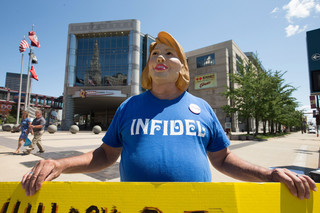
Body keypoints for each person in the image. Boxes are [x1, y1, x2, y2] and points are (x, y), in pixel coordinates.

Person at [22, 31, 317, 199]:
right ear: (149, 67)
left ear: (183, 68)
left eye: (169, 53)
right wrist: (60, 164)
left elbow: (223, 159)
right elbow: (104, 156)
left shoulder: (201, 108)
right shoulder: (129, 107)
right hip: (136, 206)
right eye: (154, 54)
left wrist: (269, 174)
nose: (160, 57)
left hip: (197, 206)